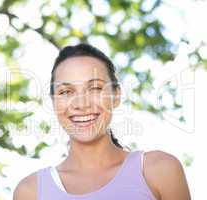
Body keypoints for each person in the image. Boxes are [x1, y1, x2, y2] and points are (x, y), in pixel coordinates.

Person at [13, 44, 191, 200]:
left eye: (95, 88)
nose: (81, 104)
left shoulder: (160, 170)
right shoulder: (30, 192)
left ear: (116, 96)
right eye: (66, 92)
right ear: (53, 102)